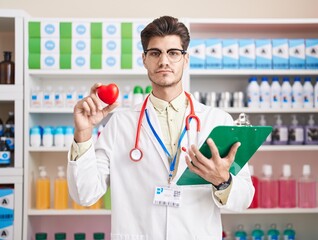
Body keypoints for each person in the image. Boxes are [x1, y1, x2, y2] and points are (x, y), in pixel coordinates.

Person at [67, 16, 254, 239]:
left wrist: (222, 181)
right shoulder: (121, 123)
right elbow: (85, 194)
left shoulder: (217, 120)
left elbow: (244, 199)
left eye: (173, 53)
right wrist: (83, 133)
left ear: (185, 60)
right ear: (144, 59)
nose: (164, 61)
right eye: (155, 53)